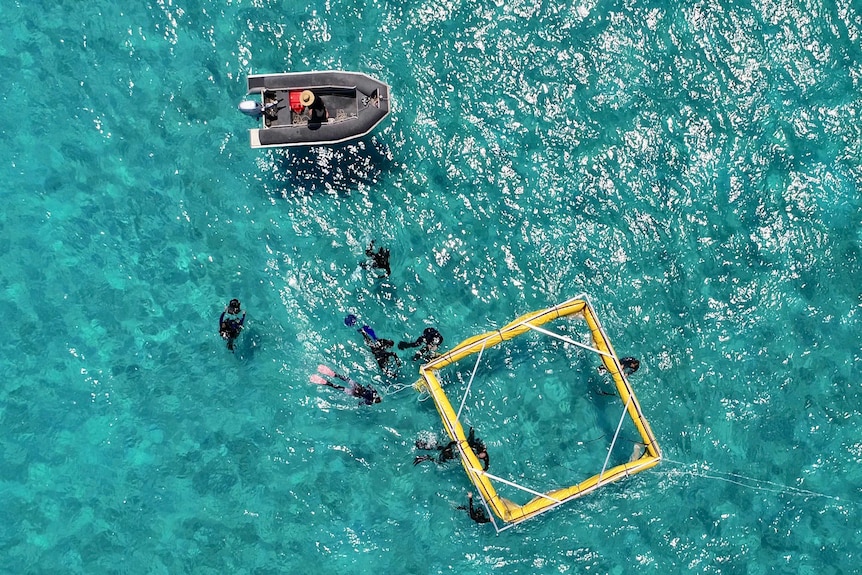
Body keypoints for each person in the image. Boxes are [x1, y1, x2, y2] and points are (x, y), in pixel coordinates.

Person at [310, 365, 381, 405]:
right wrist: (360, 404)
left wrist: (368, 385)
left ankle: (335, 375)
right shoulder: (370, 402)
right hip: (356, 394)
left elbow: (370, 386)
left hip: (359, 387)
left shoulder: (375, 392)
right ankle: (328, 383)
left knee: (346, 379)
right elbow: (363, 402)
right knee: (342, 388)